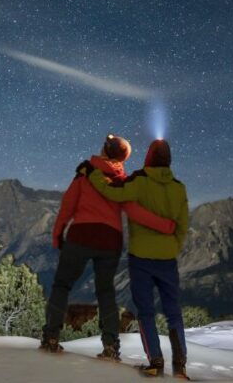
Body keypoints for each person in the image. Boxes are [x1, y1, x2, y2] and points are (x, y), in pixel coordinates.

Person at [39, 134, 176, 362]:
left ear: (104, 150)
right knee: (106, 292)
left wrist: (57, 234)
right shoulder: (123, 181)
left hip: (81, 236)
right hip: (110, 241)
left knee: (62, 285)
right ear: (123, 158)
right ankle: (111, 346)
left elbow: (68, 205)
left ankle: (51, 337)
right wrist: (164, 225)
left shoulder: (84, 173)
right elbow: (135, 211)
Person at [87, 139, 190, 380]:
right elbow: (183, 224)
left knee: (146, 311)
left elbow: (112, 193)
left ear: (149, 157)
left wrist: (94, 176)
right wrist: (174, 246)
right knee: (174, 312)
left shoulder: (139, 180)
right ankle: (180, 366)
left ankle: (155, 361)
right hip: (168, 259)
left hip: (141, 258)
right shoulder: (179, 187)